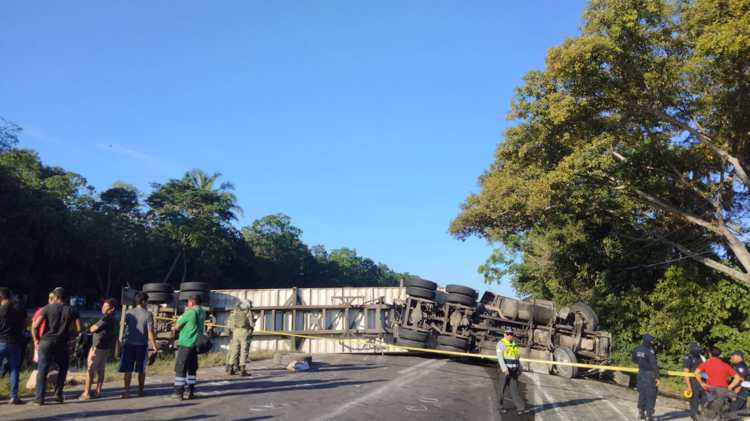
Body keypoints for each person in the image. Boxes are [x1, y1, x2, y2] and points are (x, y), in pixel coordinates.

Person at [31, 287, 80, 405]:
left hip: (46, 342)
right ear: (65, 298)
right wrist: (71, 337)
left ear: (56, 297)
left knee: (42, 369)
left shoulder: (47, 308)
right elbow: (79, 328)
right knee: (63, 367)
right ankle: (58, 394)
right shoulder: (72, 310)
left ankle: (39, 398)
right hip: (62, 343)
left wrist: (36, 340)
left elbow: (35, 326)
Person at [119, 292, 157, 398]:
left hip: (129, 344)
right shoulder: (148, 314)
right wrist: (154, 346)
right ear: (143, 301)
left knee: (128, 370)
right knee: (141, 370)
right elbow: (150, 332)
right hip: (142, 345)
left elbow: (122, 327)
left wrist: (121, 342)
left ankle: (126, 391)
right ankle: (141, 391)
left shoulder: (128, 313)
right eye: (147, 301)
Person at [79, 298, 117, 400]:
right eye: (103, 306)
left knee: (90, 369)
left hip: (97, 347)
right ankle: (98, 391)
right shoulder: (113, 318)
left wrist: (89, 326)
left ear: (112, 308)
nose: (103, 308)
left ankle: (86, 392)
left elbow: (93, 328)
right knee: (101, 369)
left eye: (106, 306)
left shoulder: (106, 318)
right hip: (105, 347)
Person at [172, 294, 206, 401]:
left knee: (181, 368)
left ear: (191, 302)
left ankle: (179, 392)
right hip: (195, 344)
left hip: (186, 343)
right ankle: (191, 391)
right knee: (192, 369)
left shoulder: (190, 312)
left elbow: (177, 326)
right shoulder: (202, 312)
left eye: (188, 302)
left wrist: (176, 323)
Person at [0, 287, 27, 405]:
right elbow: (25, 324)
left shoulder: (0, 310)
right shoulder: (18, 309)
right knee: (14, 369)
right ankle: (14, 396)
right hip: (15, 343)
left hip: (1, 342)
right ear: (10, 296)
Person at [496, 327, 525, 415]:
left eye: (511, 334)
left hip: (514, 370)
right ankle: (500, 407)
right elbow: (500, 358)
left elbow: (517, 358)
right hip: (505, 371)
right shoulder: (500, 344)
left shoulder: (514, 344)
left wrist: (519, 368)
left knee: (515, 390)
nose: (509, 335)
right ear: (504, 334)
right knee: (501, 390)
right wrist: (504, 369)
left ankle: (520, 408)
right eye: (508, 334)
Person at [632, 334, 659, 421]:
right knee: (651, 394)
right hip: (649, 374)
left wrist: (642, 364)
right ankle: (649, 416)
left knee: (642, 392)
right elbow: (654, 365)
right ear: (648, 341)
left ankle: (641, 412)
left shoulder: (637, 349)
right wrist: (657, 377)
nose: (652, 342)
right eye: (651, 341)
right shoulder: (650, 351)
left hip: (640, 373)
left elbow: (634, 360)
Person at [226, 300, 254, 376]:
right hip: (244, 332)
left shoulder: (235, 311)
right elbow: (251, 324)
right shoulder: (248, 312)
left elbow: (230, 323)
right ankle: (242, 370)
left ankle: (230, 368)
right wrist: (251, 329)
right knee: (243, 351)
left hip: (236, 332)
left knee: (234, 350)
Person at [31, 292, 55, 363]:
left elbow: (33, 327)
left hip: (46, 340)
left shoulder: (42, 310)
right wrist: (36, 340)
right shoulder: (42, 310)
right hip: (43, 340)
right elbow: (34, 327)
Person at [684, 342, 705, 420]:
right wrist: (689, 386)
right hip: (693, 382)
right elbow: (686, 373)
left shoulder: (701, 357)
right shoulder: (688, 357)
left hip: (702, 381)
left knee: (704, 399)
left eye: (699, 348)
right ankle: (694, 416)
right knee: (694, 400)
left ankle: (703, 415)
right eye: (697, 348)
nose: (698, 350)